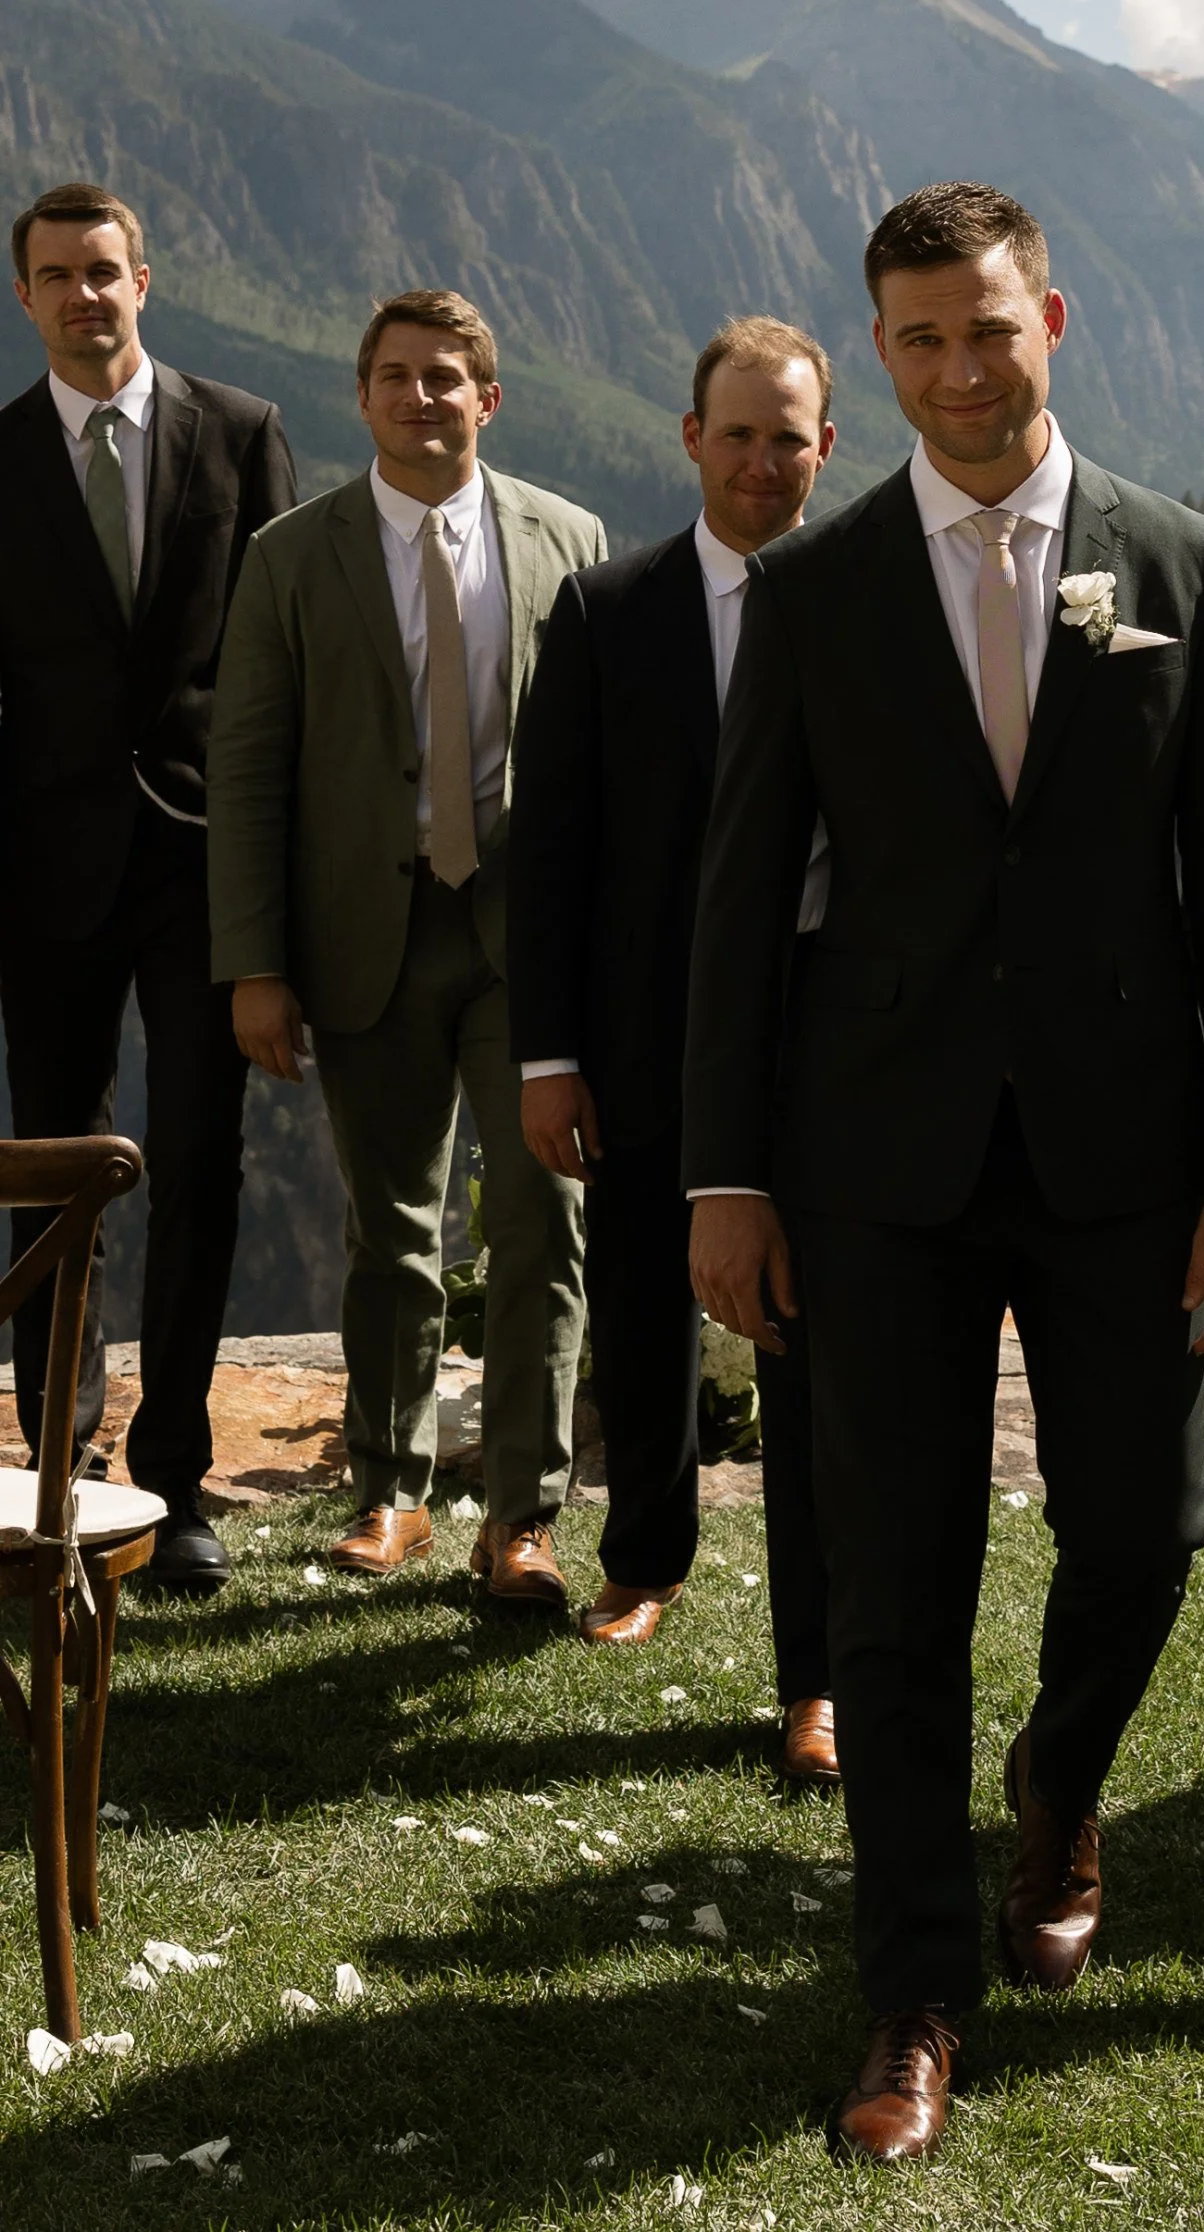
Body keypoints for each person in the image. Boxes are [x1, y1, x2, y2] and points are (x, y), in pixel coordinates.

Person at [682, 181, 1204, 2164]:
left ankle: (1056, 1779)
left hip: (1126, 1149)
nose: (959, 368)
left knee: (1147, 1540)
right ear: (881, 356)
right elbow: (734, 904)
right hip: (876, 1155)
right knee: (894, 1589)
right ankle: (911, 1995)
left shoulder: (1184, 570)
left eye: (988, 328)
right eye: (919, 340)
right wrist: (723, 1173)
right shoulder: (816, 587)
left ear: (1055, 318)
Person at [207, 289, 606, 1600]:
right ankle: (390, 1491)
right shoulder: (290, 556)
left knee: (544, 1219)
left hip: (522, 939)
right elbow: (252, 766)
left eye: (447, 376)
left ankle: (525, 1518)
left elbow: (602, 762)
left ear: (489, 399)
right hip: (362, 939)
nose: (421, 395)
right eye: (395, 374)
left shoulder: (569, 539)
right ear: (360, 396)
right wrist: (254, 963)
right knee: (392, 1231)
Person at [509, 316, 840, 1773]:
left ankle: (819, 1673)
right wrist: (545, 1054)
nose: (764, 460)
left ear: (828, 448)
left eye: (791, 436)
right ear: (689, 439)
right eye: (741, 432)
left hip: (833, 1043)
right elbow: (554, 846)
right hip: (645, 1036)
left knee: (824, 1350)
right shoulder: (604, 610)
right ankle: (642, 1563)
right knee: (644, 1306)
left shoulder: (872, 602)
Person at [0, 184, 296, 1589]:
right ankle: (56, 1466)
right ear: (24, 297)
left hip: (200, 862)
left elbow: (276, 675)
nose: (83, 295)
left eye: (103, 271)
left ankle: (176, 1482)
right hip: (42, 874)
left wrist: (274, 884)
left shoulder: (238, 435)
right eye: (54, 275)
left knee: (199, 1165)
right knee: (52, 1169)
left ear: (146, 279)